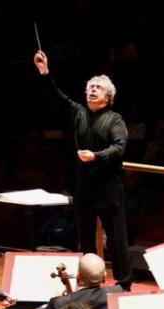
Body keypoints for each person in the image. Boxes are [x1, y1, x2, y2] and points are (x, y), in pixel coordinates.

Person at [34, 50, 132, 289]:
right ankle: (90, 281)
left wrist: (95, 156)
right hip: (84, 189)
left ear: (108, 96)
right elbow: (57, 97)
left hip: (108, 189)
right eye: (90, 86)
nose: (92, 89)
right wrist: (45, 72)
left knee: (117, 240)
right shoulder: (79, 113)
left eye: (98, 87)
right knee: (86, 239)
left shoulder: (115, 119)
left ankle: (124, 283)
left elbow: (119, 147)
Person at [18, 252, 123, 309]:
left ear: (78, 276)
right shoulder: (118, 294)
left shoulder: (58, 304)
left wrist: (54, 302)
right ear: (104, 276)